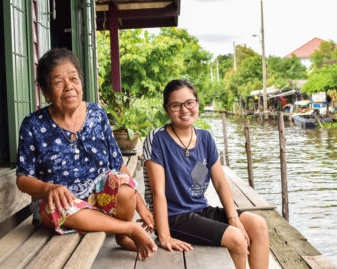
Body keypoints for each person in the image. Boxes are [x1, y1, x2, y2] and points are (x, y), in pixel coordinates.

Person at [16, 48, 157, 260]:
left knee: (126, 188)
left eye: (74, 79)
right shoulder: (33, 125)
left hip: (97, 193)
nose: (69, 87)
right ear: (46, 93)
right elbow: (22, 178)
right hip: (61, 200)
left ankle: (120, 234)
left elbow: (117, 164)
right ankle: (128, 229)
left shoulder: (96, 114)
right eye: (58, 82)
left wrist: (141, 205)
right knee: (59, 208)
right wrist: (49, 188)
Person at [143, 79, 269, 269]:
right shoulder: (157, 139)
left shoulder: (205, 137)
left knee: (258, 224)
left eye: (189, 103)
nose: (184, 110)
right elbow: (158, 192)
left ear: (197, 103)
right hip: (174, 217)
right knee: (236, 238)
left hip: (200, 210)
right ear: (167, 110)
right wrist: (165, 236)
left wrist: (233, 217)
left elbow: (219, 182)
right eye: (176, 105)